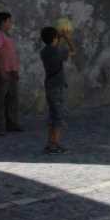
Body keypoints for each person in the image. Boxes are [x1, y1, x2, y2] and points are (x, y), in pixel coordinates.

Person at [0, 11, 23, 136]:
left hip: (11, 71)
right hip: (1, 72)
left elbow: (11, 54)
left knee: (12, 99)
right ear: (3, 22)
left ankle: (11, 123)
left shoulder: (7, 36)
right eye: (9, 21)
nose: (11, 24)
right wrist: (1, 71)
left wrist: (15, 70)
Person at [39, 25, 70, 153]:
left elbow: (54, 48)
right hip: (57, 86)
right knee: (58, 116)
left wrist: (58, 38)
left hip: (49, 85)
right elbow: (73, 51)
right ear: (54, 38)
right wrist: (67, 38)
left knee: (52, 115)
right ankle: (54, 144)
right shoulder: (57, 51)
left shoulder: (44, 52)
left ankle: (50, 143)